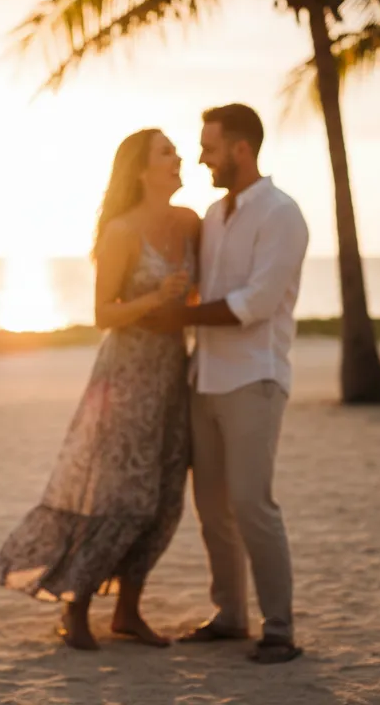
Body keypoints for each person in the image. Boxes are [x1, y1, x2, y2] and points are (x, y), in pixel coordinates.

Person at [0, 128, 199, 651]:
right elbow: (103, 313)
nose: (178, 157)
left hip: (174, 373)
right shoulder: (121, 232)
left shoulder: (189, 222)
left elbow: (197, 294)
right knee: (118, 495)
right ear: (141, 170)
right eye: (166, 152)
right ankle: (76, 606)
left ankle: (128, 610)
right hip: (127, 376)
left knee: (165, 497)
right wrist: (155, 297)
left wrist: (184, 300)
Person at [151, 104, 308, 664]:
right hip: (206, 378)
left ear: (241, 149)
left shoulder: (282, 214)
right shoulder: (214, 215)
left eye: (210, 148)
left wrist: (179, 317)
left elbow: (256, 303)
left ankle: (280, 629)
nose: (201, 159)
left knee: (251, 503)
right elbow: (204, 289)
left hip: (254, 378)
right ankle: (231, 615)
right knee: (212, 507)